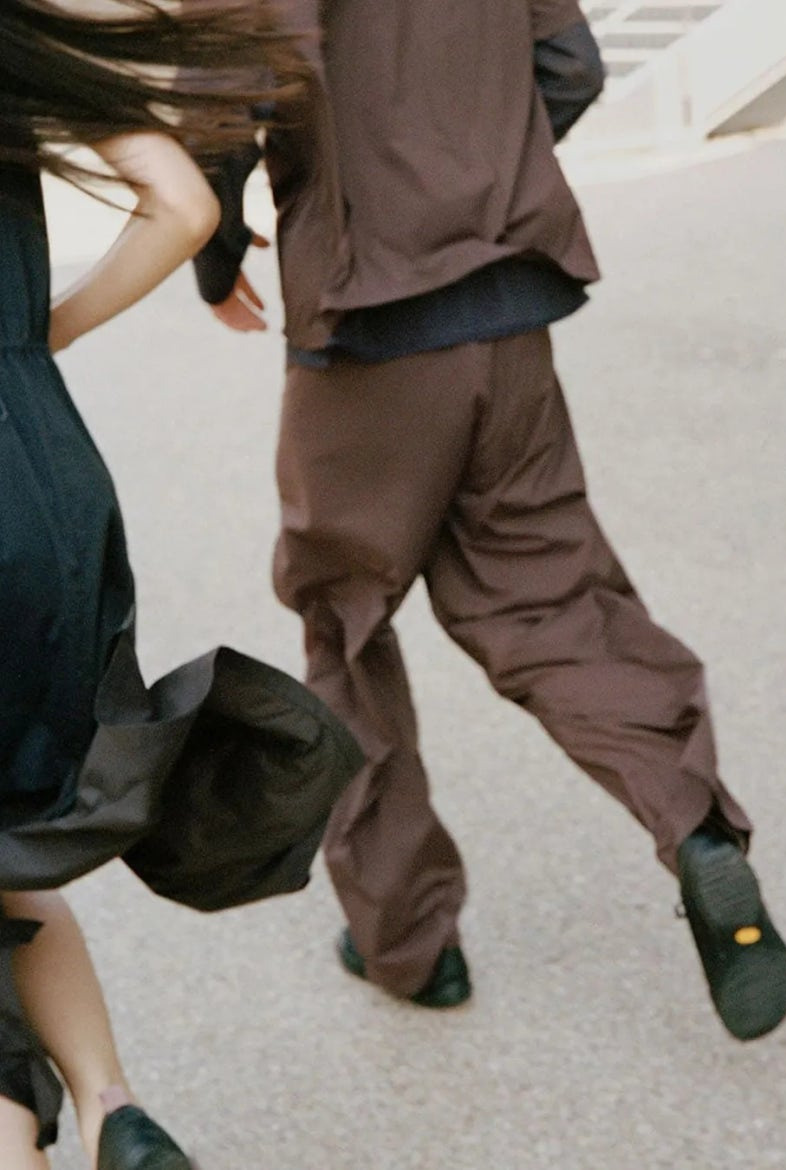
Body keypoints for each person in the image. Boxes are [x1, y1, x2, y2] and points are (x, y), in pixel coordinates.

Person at [193, 0, 786, 1042]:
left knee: (346, 627)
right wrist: (478, 169)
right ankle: (696, 828)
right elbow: (571, 65)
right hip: (509, 312)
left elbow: (232, 85)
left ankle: (409, 944)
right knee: (555, 604)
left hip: (369, 323)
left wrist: (215, 257)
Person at [0, 3, 361, 1168]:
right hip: (47, 483)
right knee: (9, 845)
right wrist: (34, 339)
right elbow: (184, 203)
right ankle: (115, 1109)